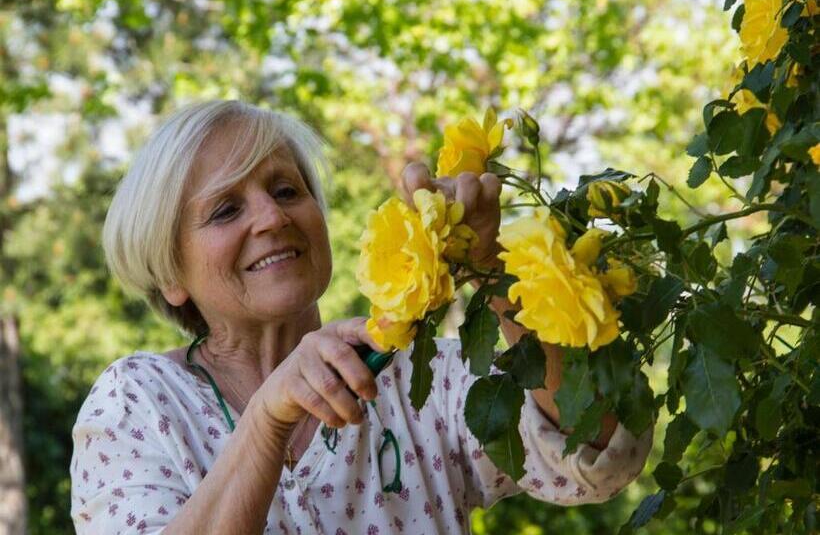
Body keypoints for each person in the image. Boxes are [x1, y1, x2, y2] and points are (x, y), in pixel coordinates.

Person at [70, 99, 653, 534]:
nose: (272, 217)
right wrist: (269, 419)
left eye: (286, 190)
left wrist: (492, 267)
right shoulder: (137, 404)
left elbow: (597, 455)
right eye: (226, 210)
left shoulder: (417, 376)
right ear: (170, 275)